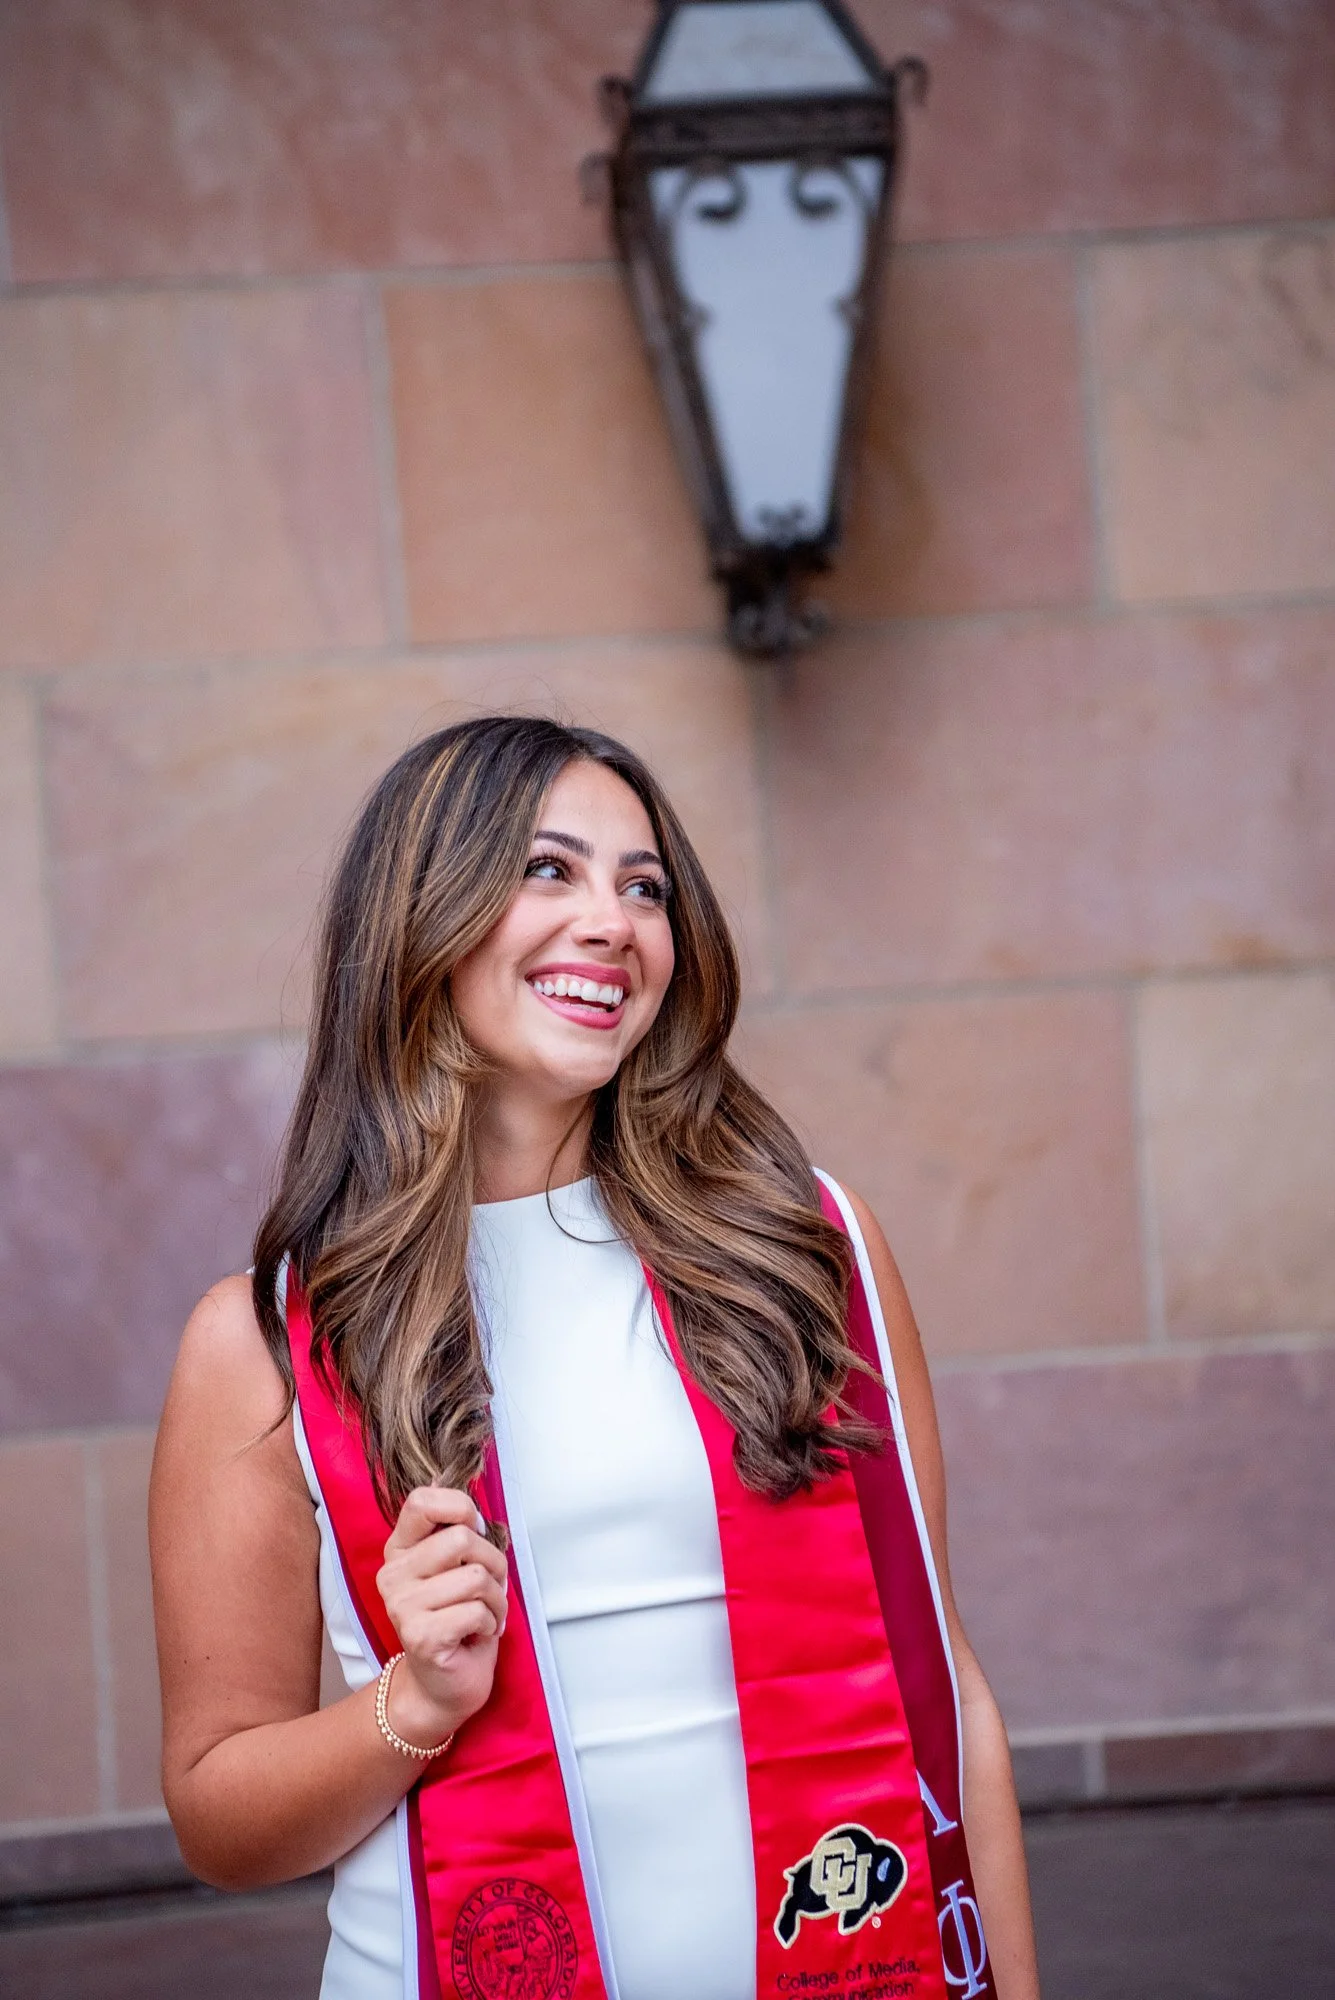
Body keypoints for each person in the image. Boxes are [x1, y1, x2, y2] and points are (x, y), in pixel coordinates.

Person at [151, 715, 1040, 2000]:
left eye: (645, 886)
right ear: (423, 914)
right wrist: (416, 1702)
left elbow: (944, 1695)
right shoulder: (269, 1343)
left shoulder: (806, 1253)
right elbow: (219, 1816)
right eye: (549, 869)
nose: (613, 922)